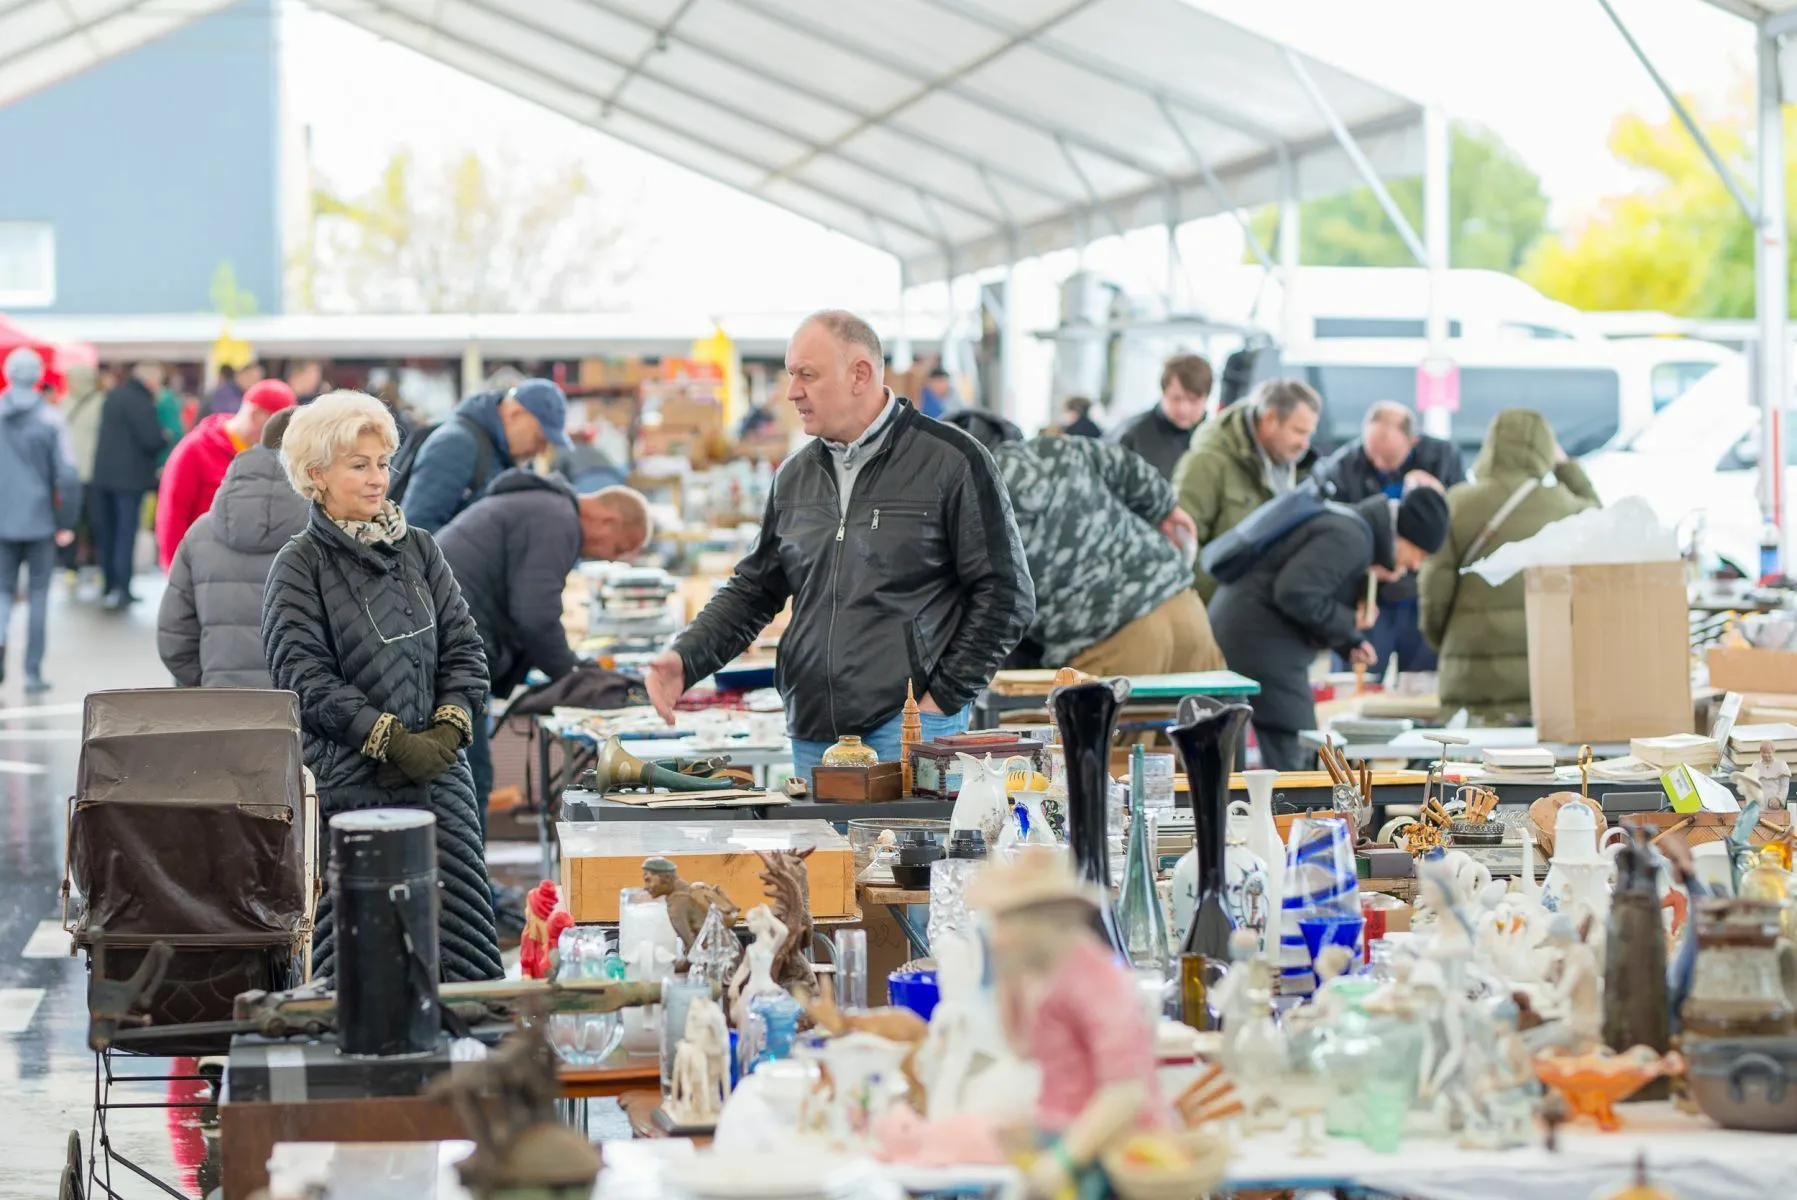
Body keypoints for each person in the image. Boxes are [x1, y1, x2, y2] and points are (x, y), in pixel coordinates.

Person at [642, 311, 1034, 782]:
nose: (792, 392)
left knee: (906, 857)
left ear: (860, 374)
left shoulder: (953, 462)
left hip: (907, 729)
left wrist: (941, 702)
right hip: (813, 733)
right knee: (823, 858)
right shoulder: (793, 476)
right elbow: (754, 590)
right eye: (791, 375)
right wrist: (686, 658)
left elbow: (1006, 596)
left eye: (807, 375)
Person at [262, 390, 500, 983]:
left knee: (459, 949)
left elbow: (466, 650)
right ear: (316, 475)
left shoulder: (420, 548)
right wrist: (390, 740)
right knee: (360, 966)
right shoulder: (300, 564)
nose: (378, 479)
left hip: (441, 787)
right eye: (359, 465)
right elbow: (303, 679)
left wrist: (445, 732)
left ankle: (465, 1071)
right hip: (349, 794)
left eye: (383, 463)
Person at [437, 472, 652, 823]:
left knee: (464, 774)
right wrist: (572, 673)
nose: (612, 560)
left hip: (447, 644)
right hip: (450, 654)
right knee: (469, 776)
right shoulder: (558, 521)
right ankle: (469, 879)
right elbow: (536, 614)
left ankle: (467, 877)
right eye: (618, 548)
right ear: (608, 520)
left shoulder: (543, 509)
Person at [946, 410, 1224, 676]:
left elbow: (984, 611)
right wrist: (1165, 507)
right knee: (1214, 721)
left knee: (1109, 726)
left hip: (1106, 641)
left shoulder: (965, 501)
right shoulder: (1050, 450)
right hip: (1181, 607)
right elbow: (1125, 464)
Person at [1209, 489, 1450, 771]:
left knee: (1266, 746)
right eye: (1418, 553)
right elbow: (1295, 593)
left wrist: (1348, 640)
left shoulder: (1350, 527)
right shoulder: (1351, 538)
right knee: (1297, 746)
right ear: (1404, 536)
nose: (1415, 565)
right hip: (1259, 641)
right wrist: (1350, 621)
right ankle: (1290, 814)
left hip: (1247, 632)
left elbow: (1309, 594)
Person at [1419, 409, 1602, 722]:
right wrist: (1565, 467)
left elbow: (1434, 592)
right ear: (1545, 448)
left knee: (1467, 767)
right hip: (1546, 673)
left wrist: (1448, 641)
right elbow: (1600, 521)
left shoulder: (1458, 502)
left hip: (1471, 674)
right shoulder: (1565, 506)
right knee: (1538, 768)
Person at [157, 408, 307, 689]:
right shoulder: (332, 535)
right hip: (304, 716)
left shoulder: (200, 534)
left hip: (220, 714)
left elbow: (174, 639)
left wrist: (211, 686)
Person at [1314, 401, 1467, 674]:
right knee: (1357, 680)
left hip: (1422, 597)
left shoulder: (1443, 459)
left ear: (1413, 441)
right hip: (1369, 595)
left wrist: (1440, 495)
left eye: (1389, 459)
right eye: (1373, 457)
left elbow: (1461, 522)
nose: (1381, 466)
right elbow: (1330, 527)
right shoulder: (1342, 466)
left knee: (1423, 687)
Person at [1174, 377, 1323, 603]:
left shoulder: (1294, 471)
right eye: (1298, 431)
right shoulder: (1207, 462)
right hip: (1219, 616)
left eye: (1309, 434)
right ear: (1270, 418)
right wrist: (1230, 601)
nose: (1305, 443)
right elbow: (1180, 548)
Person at [0, 348, 81, 693]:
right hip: (40, 521)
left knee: (1, 593)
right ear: (36, 376)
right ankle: (32, 673)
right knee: (38, 595)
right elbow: (69, 475)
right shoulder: (51, 419)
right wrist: (66, 521)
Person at [155, 378, 297, 570]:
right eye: (279, 426)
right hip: (204, 573)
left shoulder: (274, 457)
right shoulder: (195, 450)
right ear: (256, 415)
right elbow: (172, 515)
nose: (282, 436)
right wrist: (176, 577)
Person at [401, 377, 573, 533]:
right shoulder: (457, 444)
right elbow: (417, 529)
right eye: (539, 439)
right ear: (515, 415)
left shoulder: (501, 455)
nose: (541, 450)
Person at [92, 361, 170, 608]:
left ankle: (108, 585)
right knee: (125, 534)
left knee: (108, 533)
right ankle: (123, 588)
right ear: (150, 381)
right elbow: (151, 440)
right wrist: (164, 437)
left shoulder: (113, 395)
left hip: (103, 476)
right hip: (129, 480)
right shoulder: (142, 401)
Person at [1108, 354, 1212, 480]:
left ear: (1206, 398)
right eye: (1176, 399)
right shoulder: (1131, 436)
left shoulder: (1215, 442)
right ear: (1163, 392)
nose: (1184, 408)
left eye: (1193, 400)